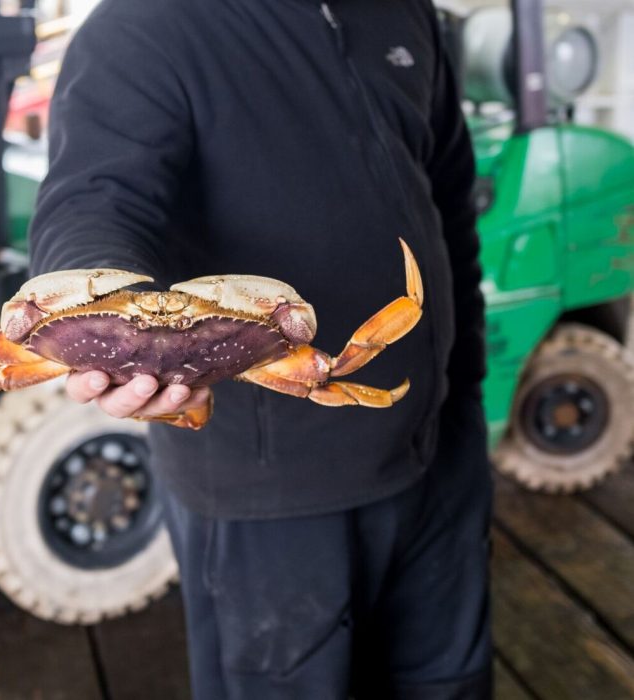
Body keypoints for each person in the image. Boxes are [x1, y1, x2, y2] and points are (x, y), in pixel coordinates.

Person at [29, 0, 492, 697]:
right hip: (273, 495)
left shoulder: (406, 13)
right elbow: (93, 199)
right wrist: (103, 302)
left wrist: (468, 384)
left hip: (440, 451)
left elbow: (449, 198)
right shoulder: (141, 28)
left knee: (451, 682)